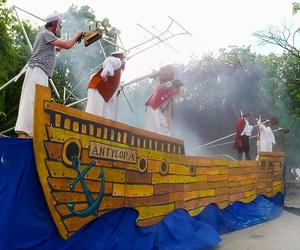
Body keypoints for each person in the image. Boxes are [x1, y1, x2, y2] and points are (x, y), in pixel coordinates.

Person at [15, 11, 83, 138]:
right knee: (33, 105)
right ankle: (26, 135)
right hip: (37, 72)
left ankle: (29, 134)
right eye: (60, 24)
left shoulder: (45, 36)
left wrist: (73, 40)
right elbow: (67, 45)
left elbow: (58, 48)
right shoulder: (46, 34)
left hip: (39, 72)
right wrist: (77, 35)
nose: (61, 27)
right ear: (56, 23)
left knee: (34, 105)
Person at [85, 51, 126, 119]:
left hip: (103, 92)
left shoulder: (117, 70)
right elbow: (110, 60)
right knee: (94, 114)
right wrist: (105, 73)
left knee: (103, 117)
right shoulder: (117, 61)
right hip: (98, 88)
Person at [144, 65, 183, 136]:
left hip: (159, 108)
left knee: (164, 129)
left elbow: (168, 112)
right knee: (153, 130)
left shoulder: (170, 93)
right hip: (153, 106)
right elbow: (162, 84)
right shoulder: (168, 85)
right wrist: (157, 75)